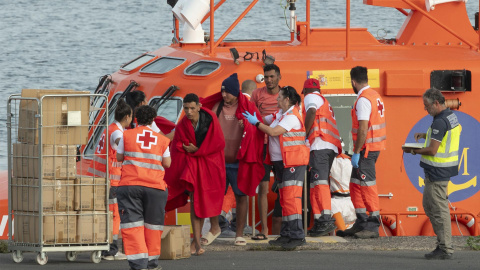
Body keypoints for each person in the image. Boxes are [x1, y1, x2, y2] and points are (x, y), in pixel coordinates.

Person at [243, 86, 310, 250]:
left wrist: (256, 122)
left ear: (287, 99)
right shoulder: (281, 114)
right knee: (285, 200)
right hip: (282, 163)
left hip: (292, 162)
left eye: (279, 97)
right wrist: (253, 115)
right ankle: (287, 234)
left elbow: (273, 132)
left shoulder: (292, 117)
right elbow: (266, 119)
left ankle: (297, 236)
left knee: (291, 199)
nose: (276, 99)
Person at [201, 73, 264, 246]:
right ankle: (215, 228)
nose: (224, 95)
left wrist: (249, 127)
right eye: (222, 92)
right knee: (213, 195)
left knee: (241, 196)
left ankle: (239, 234)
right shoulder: (217, 106)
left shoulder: (247, 107)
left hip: (238, 161)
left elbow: (259, 128)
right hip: (218, 161)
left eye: (227, 92)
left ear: (236, 92)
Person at [164, 93, 226, 256]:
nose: (189, 112)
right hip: (192, 166)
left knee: (205, 201)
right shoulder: (183, 123)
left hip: (211, 164)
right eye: (186, 108)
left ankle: (208, 232)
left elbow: (218, 143)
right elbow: (177, 145)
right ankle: (197, 243)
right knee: (195, 202)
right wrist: (189, 151)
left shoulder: (211, 118)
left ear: (199, 106)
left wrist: (197, 150)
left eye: (192, 108)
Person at [402, 88, 461, 260]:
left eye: (427, 106)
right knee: (430, 206)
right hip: (441, 171)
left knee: (438, 210)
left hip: (437, 172)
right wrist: (426, 134)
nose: (425, 109)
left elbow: (433, 150)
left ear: (436, 103)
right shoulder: (450, 116)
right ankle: (443, 245)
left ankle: (445, 248)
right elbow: (442, 138)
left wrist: (412, 150)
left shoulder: (439, 122)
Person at [116, 105, 171, 270]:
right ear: (153, 120)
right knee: (153, 226)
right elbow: (167, 163)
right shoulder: (161, 139)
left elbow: (119, 157)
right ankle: (152, 263)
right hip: (155, 188)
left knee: (133, 225)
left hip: (130, 186)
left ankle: (138, 264)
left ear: (136, 119)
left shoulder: (127, 135)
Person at [337, 66, 386, 239]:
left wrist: (356, 151)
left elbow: (363, 129)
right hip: (370, 148)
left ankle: (372, 225)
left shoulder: (364, 100)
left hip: (366, 150)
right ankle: (361, 221)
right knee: (356, 184)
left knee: (367, 186)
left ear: (353, 82)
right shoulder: (374, 95)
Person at [87, 99, 132, 261]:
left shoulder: (109, 129)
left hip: (100, 178)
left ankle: (105, 247)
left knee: (106, 214)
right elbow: (122, 146)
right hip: (111, 181)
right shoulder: (117, 133)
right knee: (114, 215)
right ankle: (111, 250)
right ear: (127, 116)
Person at [302, 78, 342, 236]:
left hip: (320, 145)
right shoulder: (324, 100)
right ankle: (319, 221)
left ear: (305, 91)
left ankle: (325, 219)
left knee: (320, 183)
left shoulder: (310, 98)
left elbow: (311, 112)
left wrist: (302, 135)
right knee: (315, 184)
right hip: (327, 146)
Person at [250, 64, 283, 239]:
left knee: (285, 188)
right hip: (262, 146)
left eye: (272, 76)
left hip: (281, 147)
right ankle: (264, 230)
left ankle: (287, 228)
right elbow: (249, 115)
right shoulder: (257, 94)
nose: (269, 80)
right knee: (263, 188)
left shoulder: (286, 94)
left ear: (279, 77)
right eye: (266, 76)